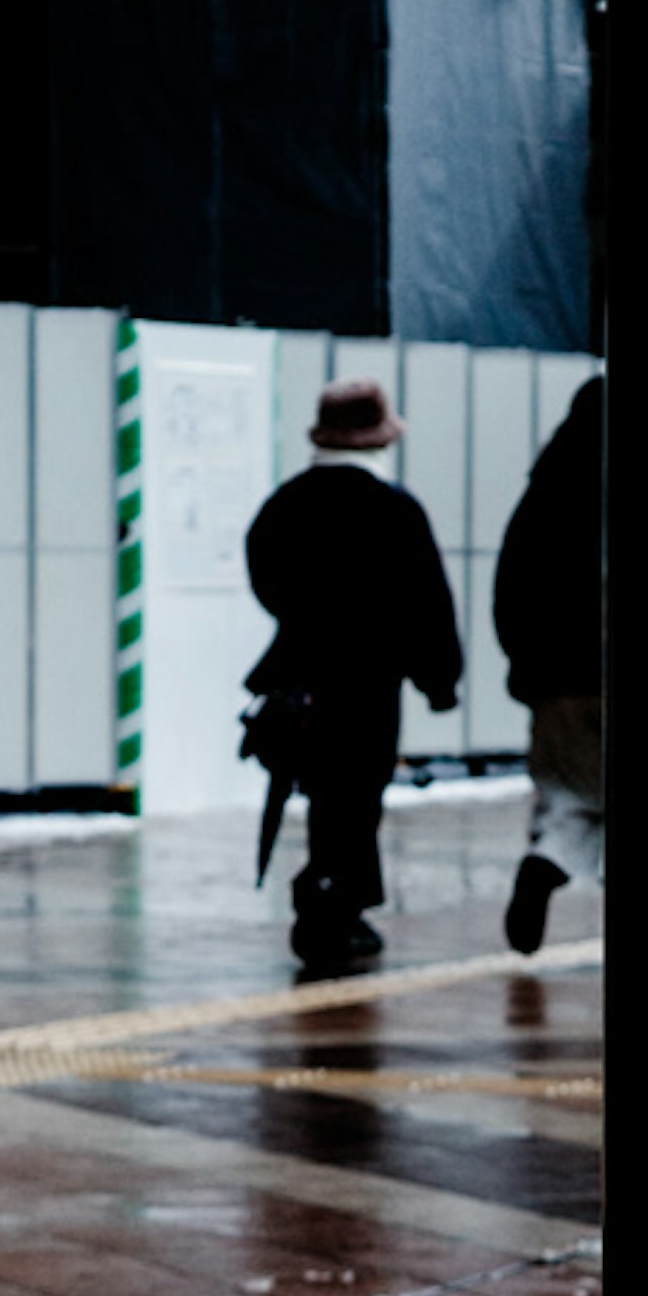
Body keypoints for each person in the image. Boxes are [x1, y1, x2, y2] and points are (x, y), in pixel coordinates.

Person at [242, 378, 461, 975]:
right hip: (369, 683)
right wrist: (439, 679)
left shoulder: (286, 504)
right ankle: (334, 903)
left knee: (320, 794)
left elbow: (264, 575)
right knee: (357, 795)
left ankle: (327, 894)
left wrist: (302, 617)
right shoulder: (395, 508)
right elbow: (427, 599)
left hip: (301, 677)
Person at [488, 371, 602, 954]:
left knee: (567, 793)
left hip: (554, 679)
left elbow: (510, 587)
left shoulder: (545, 492)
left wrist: (524, 662)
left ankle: (546, 860)